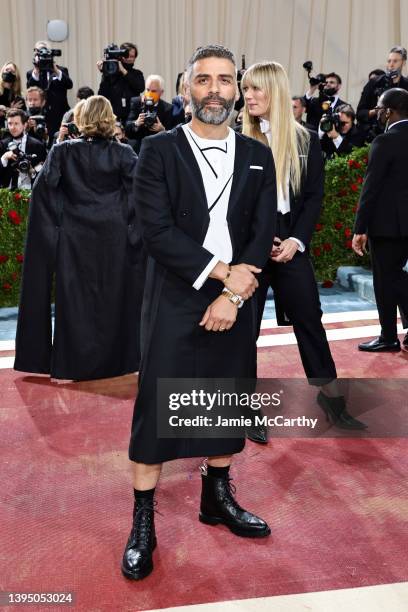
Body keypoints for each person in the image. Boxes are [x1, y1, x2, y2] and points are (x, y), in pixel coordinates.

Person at [121, 44, 277, 581]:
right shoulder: (159, 150)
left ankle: (217, 498)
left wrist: (235, 294)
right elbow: (155, 230)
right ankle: (143, 519)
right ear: (188, 88)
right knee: (158, 405)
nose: (215, 89)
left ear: (237, 89)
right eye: (204, 80)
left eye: (225, 80)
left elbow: (260, 232)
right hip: (176, 291)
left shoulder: (259, 154)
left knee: (225, 394)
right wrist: (221, 276)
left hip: (235, 297)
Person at [241, 61, 366, 443]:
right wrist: (260, 241)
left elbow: (313, 198)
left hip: (291, 244)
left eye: (256, 90)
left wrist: (296, 240)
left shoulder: (306, 140)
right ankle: (245, 404)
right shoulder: (237, 141)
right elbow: (232, 205)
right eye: (246, 90)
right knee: (244, 331)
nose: (248, 97)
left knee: (309, 319)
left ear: (275, 92)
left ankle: (330, 397)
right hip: (250, 250)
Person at [14, 96, 144, 380]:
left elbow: (43, 196)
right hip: (115, 240)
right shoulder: (124, 154)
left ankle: (75, 363)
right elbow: (142, 196)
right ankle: (117, 362)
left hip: (74, 241)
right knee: (115, 299)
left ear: (81, 118)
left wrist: (49, 238)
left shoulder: (62, 152)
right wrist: (132, 232)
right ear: (110, 118)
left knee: (75, 302)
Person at [352, 88, 408, 352]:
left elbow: (370, 188)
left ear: (390, 111)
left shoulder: (385, 141)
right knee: (396, 278)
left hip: (389, 226)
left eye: (380, 107)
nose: (377, 112)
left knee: (387, 280)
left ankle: (388, 337)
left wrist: (359, 228)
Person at [357, 46, 408, 138]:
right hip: (375, 135)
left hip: (402, 134)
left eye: (395, 61)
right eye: (389, 61)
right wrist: (377, 111)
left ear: (403, 62)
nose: (391, 65)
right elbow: (360, 113)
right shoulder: (373, 83)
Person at [26, 40, 73, 137]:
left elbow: (69, 85)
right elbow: (30, 89)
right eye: (39, 52)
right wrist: (37, 70)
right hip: (40, 117)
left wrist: (55, 70)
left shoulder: (61, 70)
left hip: (59, 114)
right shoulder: (32, 73)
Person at [125, 74, 177, 152]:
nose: (149, 93)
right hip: (138, 149)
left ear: (161, 92)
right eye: (147, 90)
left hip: (158, 150)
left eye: (153, 91)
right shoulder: (136, 103)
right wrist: (136, 123)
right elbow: (127, 128)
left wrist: (162, 129)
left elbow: (173, 135)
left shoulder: (168, 108)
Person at [97, 42, 144, 122]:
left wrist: (124, 71)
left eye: (132, 56)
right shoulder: (111, 74)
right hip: (114, 116)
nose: (129, 58)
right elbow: (102, 94)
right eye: (127, 56)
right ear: (121, 56)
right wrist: (105, 73)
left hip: (132, 117)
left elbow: (140, 88)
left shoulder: (137, 73)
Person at [0, 108, 46, 189]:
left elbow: (44, 171)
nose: (12, 127)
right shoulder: (3, 144)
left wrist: (33, 170)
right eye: (10, 123)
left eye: (16, 124)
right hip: (6, 193)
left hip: (30, 193)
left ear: (24, 125)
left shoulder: (37, 145)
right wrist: (4, 158)